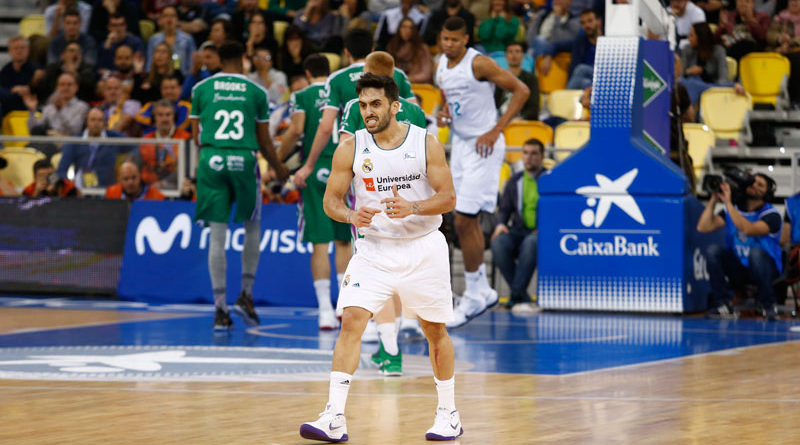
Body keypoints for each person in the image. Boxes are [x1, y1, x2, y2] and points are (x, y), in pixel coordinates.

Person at [299, 72, 462, 442]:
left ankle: (448, 413)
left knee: (434, 331)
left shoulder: (425, 143)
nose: (368, 112)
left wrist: (414, 206)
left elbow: (449, 198)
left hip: (423, 246)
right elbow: (331, 202)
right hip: (373, 249)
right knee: (352, 322)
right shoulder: (351, 147)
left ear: (394, 105)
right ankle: (334, 416)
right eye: (362, 105)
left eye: (375, 104)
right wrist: (350, 216)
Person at [338, 51, 429, 375]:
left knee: (379, 276)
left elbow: (348, 150)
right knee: (403, 273)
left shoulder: (356, 108)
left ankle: (390, 350)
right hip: (413, 207)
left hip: (375, 202)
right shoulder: (415, 110)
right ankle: (407, 325)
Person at [435, 16, 529, 328]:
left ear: (465, 40)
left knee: (464, 219)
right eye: (444, 39)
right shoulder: (440, 65)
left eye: (454, 40)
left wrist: (496, 129)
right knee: (461, 220)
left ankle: (476, 293)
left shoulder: (480, 64)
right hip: (461, 146)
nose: (448, 44)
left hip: (484, 146)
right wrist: (446, 113)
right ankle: (481, 291)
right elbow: (448, 96)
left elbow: (522, 90)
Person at [189, 41, 288, 331]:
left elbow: (195, 134)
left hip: (211, 158)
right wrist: (280, 169)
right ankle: (245, 294)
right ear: (243, 60)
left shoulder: (201, 89)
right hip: (243, 160)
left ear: (219, 59)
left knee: (217, 237)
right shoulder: (256, 91)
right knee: (252, 225)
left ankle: (220, 310)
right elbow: (264, 140)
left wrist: (211, 156)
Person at [277, 54, 353, 331]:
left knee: (320, 242)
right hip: (345, 164)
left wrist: (278, 160)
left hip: (316, 166)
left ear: (308, 72)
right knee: (345, 241)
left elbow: (297, 129)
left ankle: (324, 310)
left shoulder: (301, 95)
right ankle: (344, 305)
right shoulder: (343, 87)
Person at [292, 28, 416, 189]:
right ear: (372, 50)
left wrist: (309, 165)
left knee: (364, 210)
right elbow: (415, 114)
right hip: (399, 153)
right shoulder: (397, 74)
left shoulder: (337, 79)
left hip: (362, 156)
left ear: (347, 52)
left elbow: (326, 127)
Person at [696, 172, 782, 320]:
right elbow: (703, 227)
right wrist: (714, 199)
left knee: (756, 253)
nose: (754, 185)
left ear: (767, 193)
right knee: (713, 251)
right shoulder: (734, 210)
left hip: (765, 269)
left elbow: (748, 229)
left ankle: (768, 304)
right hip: (739, 269)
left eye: (760, 185)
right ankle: (722, 304)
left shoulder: (772, 215)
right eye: (753, 182)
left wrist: (728, 203)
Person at [490, 138, 546, 312]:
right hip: (518, 230)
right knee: (498, 242)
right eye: (526, 153)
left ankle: (515, 296)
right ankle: (520, 295)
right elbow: (505, 210)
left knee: (531, 242)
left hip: (541, 233)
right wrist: (500, 224)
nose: (529, 158)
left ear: (542, 156)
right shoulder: (514, 181)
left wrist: (545, 228)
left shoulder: (549, 179)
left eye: (534, 153)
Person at [57, 107, 132, 188]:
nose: (96, 123)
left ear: (104, 122)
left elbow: (134, 146)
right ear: (87, 122)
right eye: (93, 120)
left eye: (100, 120)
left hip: (107, 189)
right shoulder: (75, 141)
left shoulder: (113, 138)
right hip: (80, 190)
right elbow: (62, 169)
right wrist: (69, 189)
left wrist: (128, 160)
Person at [25, 72, 90, 155]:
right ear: (57, 87)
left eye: (69, 84)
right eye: (62, 85)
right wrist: (32, 111)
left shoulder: (82, 107)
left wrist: (61, 110)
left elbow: (74, 131)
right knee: (29, 148)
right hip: (48, 143)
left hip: (68, 144)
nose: (65, 88)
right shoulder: (50, 107)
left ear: (76, 87)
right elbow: (33, 130)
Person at [539, 8, 603, 90]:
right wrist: (547, 56)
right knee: (584, 82)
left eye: (590, 21)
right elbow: (554, 45)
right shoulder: (579, 41)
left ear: (599, 21)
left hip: (603, 76)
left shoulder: (610, 39)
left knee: (581, 69)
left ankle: (564, 97)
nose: (587, 25)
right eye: (583, 23)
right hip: (588, 81)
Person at [136, 99, 191, 188]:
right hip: (148, 191)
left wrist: (163, 183)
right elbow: (136, 166)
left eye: (168, 115)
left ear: (174, 117)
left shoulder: (186, 138)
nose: (164, 119)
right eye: (160, 115)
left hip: (178, 189)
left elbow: (188, 169)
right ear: (154, 118)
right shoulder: (145, 140)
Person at [679, 23, 730, 105]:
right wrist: (687, 72)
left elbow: (723, 79)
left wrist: (703, 72)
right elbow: (679, 77)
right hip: (690, 87)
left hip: (710, 89)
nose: (688, 38)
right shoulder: (686, 50)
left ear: (700, 37)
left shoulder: (718, 51)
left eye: (691, 35)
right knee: (692, 81)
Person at [146, 6, 197, 76]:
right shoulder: (153, 40)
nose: (169, 19)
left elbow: (192, 65)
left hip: (183, 79)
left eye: (173, 16)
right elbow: (149, 65)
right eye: (166, 16)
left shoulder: (188, 39)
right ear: (161, 20)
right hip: (159, 79)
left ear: (177, 20)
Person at [494, 41, 539, 120]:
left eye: (517, 51)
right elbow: (495, 104)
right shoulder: (500, 78)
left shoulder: (531, 79)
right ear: (506, 56)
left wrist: (521, 119)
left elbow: (534, 108)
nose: (514, 55)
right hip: (500, 119)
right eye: (510, 52)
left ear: (523, 56)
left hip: (522, 122)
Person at [0, 36, 44, 115]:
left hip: (32, 107)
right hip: (9, 108)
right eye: (16, 48)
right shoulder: (5, 70)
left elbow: (42, 90)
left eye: (22, 48)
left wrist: (29, 88)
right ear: (10, 51)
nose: (19, 51)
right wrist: (13, 90)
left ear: (28, 50)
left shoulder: (37, 70)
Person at [386, 17, 434, 84]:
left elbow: (426, 74)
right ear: (399, 29)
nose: (407, 30)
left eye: (410, 28)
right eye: (404, 27)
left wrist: (406, 79)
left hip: (418, 85)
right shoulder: (392, 47)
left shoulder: (422, 49)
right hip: (397, 85)